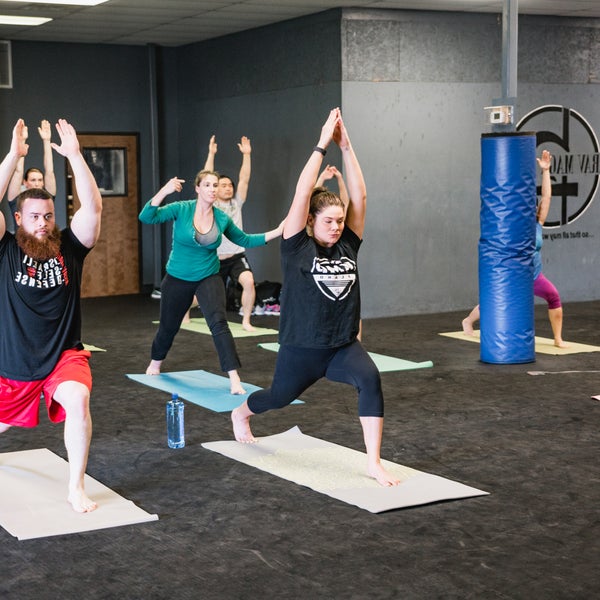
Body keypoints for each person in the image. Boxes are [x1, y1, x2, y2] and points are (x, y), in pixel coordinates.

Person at [231, 108, 400, 487]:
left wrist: (348, 145)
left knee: (370, 379)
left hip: (342, 345)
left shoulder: (348, 244)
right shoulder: (296, 245)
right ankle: (241, 413)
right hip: (301, 347)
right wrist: (323, 143)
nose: (337, 227)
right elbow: (303, 191)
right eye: (329, 221)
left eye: (340, 220)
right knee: (277, 398)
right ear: (310, 221)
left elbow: (361, 194)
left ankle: (374, 462)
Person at [0, 118, 102, 513]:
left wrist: (75, 156)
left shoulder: (71, 249)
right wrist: (13, 156)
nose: (42, 224)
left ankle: (75, 486)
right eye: (34, 217)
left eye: (48, 216)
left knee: (77, 398)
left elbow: (93, 207)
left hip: (62, 355)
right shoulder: (6, 250)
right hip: (14, 363)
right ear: (18, 219)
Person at [139, 170, 283, 394]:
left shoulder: (222, 218)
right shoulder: (182, 208)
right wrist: (165, 191)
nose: (212, 189)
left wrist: (277, 231)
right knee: (168, 327)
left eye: (215, 185)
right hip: (177, 278)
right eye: (207, 185)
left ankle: (234, 378)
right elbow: (146, 217)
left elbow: (244, 239)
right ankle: (156, 361)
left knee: (219, 324)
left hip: (208, 276)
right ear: (197, 188)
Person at [462, 149, 568, 348]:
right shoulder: (509, 226)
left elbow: (546, 198)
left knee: (553, 296)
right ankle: (468, 321)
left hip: (534, 276)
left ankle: (558, 338)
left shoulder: (537, 223)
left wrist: (545, 171)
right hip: (513, 276)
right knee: (493, 303)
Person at [184, 134, 258, 330]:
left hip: (236, 255)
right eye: (222, 185)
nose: (227, 188)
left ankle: (246, 321)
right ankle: (184, 310)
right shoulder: (213, 204)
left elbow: (245, 178)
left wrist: (247, 155)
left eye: (229, 185)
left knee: (249, 282)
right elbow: (207, 176)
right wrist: (211, 153)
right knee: (200, 295)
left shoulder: (237, 203)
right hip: (215, 257)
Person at [6, 119, 57, 221]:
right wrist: (22, 141)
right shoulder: (17, 201)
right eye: (33, 180)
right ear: (25, 182)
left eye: (40, 180)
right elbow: (18, 171)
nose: (37, 184)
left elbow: (49, 170)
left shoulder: (48, 198)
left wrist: (47, 140)